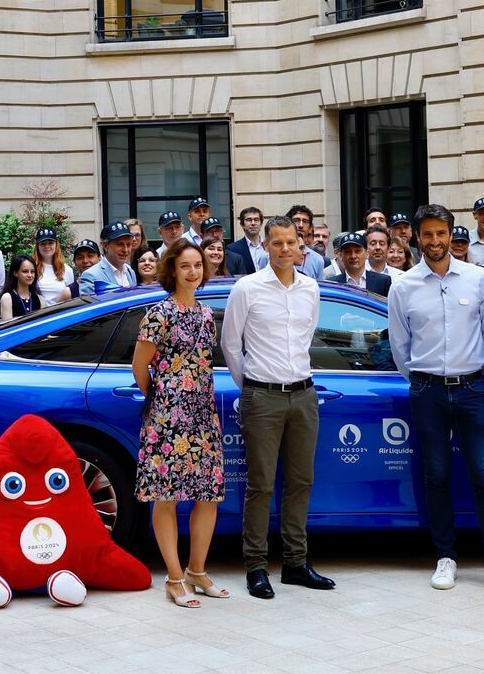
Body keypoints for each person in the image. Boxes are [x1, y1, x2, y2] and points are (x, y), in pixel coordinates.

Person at [389, 205, 484, 598]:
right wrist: (422, 377)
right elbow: (400, 345)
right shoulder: (404, 285)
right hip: (427, 389)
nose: (434, 242)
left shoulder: (478, 279)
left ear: (451, 235)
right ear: (417, 237)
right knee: (436, 475)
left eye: (441, 234)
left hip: (470, 389)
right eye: (427, 234)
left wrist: (471, 368)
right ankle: (446, 557)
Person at [219, 217, 329, 600]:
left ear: (301, 245)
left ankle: (296, 564)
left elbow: (307, 335)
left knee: (301, 482)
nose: (285, 249)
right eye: (277, 242)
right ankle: (256, 567)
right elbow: (231, 345)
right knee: (261, 485)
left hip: (304, 394)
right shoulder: (247, 288)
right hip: (261, 396)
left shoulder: (311, 289)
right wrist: (251, 386)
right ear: (265, 246)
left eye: (291, 242)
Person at [132, 239, 230, 608]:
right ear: (172, 270)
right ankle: (174, 578)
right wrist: (160, 398)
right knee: (167, 496)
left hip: (203, 415)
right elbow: (139, 367)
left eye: (198, 265)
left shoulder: (206, 314)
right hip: (168, 418)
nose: (193, 272)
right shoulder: (159, 313)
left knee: (208, 496)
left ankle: (197, 570)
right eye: (185, 265)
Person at [78, 222, 138, 297]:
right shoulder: (90, 276)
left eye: (128, 244)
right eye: (120, 244)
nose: (125, 250)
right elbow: (89, 307)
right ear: (105, 246)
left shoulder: (130, 272)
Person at [325, 231, 391, 294]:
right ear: (340, 256)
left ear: (367, 253)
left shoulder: (382, 282)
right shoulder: (332, 284)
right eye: (348, 252)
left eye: (357, 251)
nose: (353, 256)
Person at [286, 205, 328, 280]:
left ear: (310, 228)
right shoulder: (276, 255)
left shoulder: (317, 260)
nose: (301, 225)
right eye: (296, 220)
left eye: (305, 221)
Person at [32, 228, 71, 304]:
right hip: (38, 314)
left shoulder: (67, 269)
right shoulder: (32, 268)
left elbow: (71, 298)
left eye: (50, 243)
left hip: (61, 313)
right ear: (37, 246)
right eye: (43, 243)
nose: (47, 246)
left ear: (56, 245)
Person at [0, 254, 40, 322]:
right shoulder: (7, 298)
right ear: (15, 273)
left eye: (32, 272)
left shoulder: (40, 299)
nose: (30, 275)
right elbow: (8, 327)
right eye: (25, 271)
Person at [225, 207, 263, 277]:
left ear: (261, 224)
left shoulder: (270, 246)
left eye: (256, 220)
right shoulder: (232, 249)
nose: (253, 223)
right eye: (249, 220)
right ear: (242, 225)